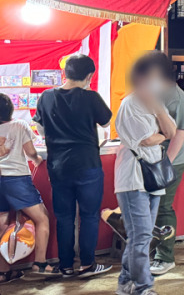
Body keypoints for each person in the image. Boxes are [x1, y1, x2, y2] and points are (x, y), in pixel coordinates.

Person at [33, 54, 113, 279]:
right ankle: (87, 265)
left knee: (64, 217)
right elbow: (106, 122)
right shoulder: (91, 97)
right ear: (89, 76)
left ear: (65, 72)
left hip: (59, 166)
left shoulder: (46, 96)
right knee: (88, 216)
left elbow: (39, 129)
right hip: (87, 164)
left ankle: (66, 266)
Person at [115, 52, 177, 295]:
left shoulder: (155, 103)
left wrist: (156, 109)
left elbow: (171, 131)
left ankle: (125, 283)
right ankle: (143, 287)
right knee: (140, 237)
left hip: (151, 177)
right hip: (133, 179)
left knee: (141, 237)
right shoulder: (129, 104)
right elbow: (149, 139)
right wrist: (160, 134)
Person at [0, 94, 56, 280]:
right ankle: (40, 264)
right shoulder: (19, 126)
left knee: (1, 224)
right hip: (16, 179)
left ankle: (3, 271)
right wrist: (37, 160)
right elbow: (31, 152)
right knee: (42, 218)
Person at [150, 55, 184, 276]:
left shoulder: (180, 100)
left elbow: (181, 135)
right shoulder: (153, 93)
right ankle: (153, 248)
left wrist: (166, 164)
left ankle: (165, 257)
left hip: (171, 160)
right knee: (152, 206)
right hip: (152, 157)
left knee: (164, 206)